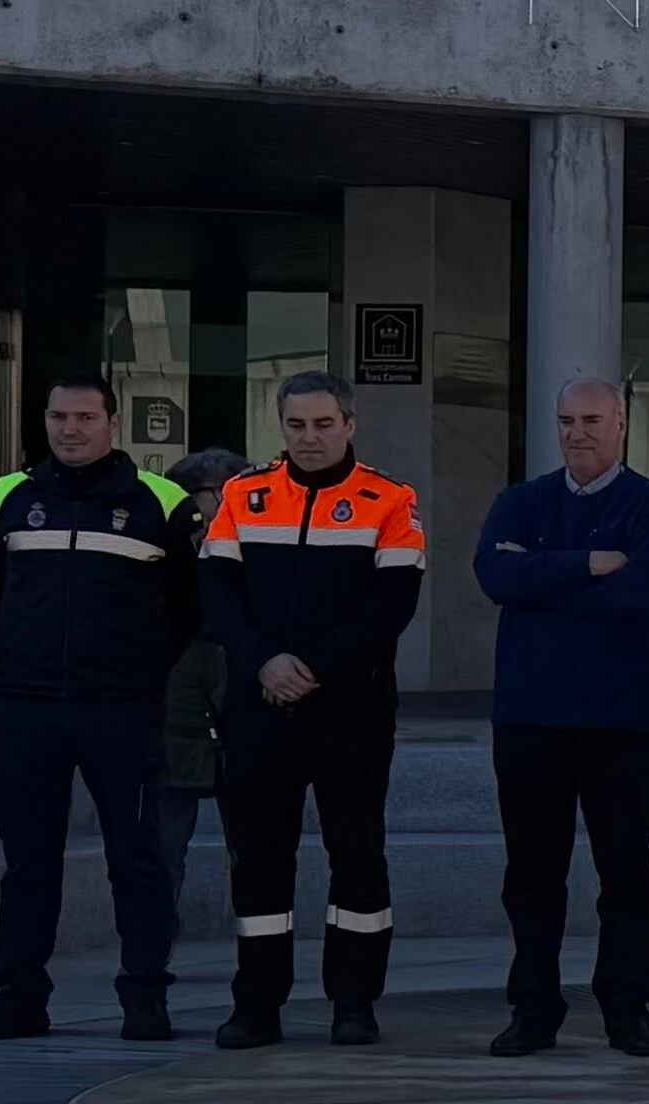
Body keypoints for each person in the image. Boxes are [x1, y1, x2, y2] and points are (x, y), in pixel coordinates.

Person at [0, 375, 201, 1043]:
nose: (70, 429)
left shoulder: (163, 503)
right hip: (26, 706)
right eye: (59, 416)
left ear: (112, 424)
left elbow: (187, 608)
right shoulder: (8, 496)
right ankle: (19, 997)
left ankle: (145, 997)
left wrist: (135, 671)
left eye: (86, 417)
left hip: (119, 709)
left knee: (138, 858)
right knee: (28, 860)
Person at [198, 371, 426, 1050]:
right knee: (259, 858)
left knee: (356, 854)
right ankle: (256, 1006)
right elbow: (216, 595)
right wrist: (265, 663)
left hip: (351, 709)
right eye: (296, 425)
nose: (309, 438)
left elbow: (391, 606)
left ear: (350, 425)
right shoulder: (243, 495)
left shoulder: (390, 499)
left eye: (324, 424)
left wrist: (313, 669)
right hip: (259, 704)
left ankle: (354, 1003)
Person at [479, 375, 649, 1059]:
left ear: (621, 424)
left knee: (624, 872)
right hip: (531, 722)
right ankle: (533, 1010)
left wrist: (539, 576)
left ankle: (627, 1010)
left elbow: (641, 592)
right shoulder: (521, 502)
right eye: (567, 421)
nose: (578, 433)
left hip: (626, 722)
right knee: (532, 876)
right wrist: (587, 564)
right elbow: (494, 578)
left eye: (592, 420)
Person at [153, 448, 242, 995]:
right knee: (163, 847)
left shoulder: (254, 546)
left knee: (251, 845)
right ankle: (151, 956)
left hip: (238, 695)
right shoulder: (162, 549)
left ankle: (259, 955)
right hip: (176, 702)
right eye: (213, 498)